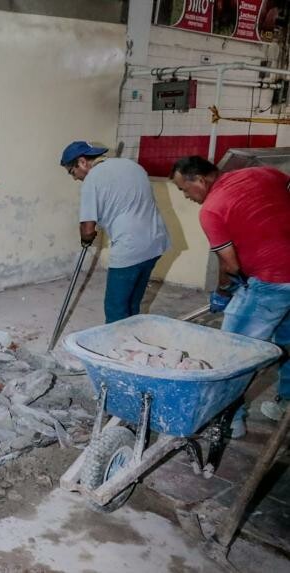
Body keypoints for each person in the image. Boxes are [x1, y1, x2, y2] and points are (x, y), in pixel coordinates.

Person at [170, 156, 290, 437]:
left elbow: (230, 265)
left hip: (270, 282)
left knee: (231, 353)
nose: (187, 197)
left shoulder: (211, 209)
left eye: (184, 189)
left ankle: (229, 421)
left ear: (200, 180)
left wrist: (223, 292)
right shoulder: (265, 173)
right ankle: (285, 402)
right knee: (286, 340)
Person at [60, 141, 171, 323]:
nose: (75, 178)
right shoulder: (132, 166)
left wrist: (87, 239)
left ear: (82, 162)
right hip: (155, 243)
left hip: (130, 248)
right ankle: (133, 344)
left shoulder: (92, 180)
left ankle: (114, 348)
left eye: (72, 172)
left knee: (115, 307)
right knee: (133, 302)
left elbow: (88, 229)